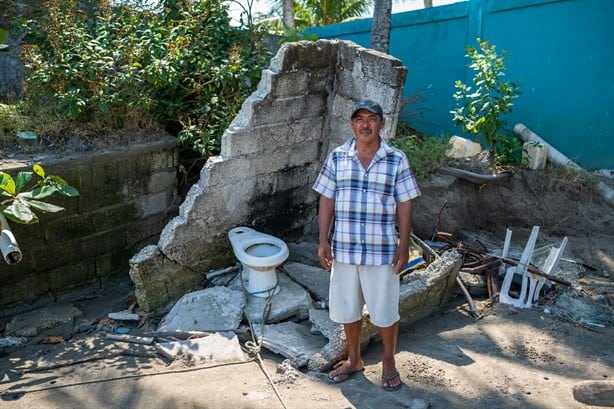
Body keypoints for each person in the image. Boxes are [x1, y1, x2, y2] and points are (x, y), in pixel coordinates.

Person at [312, 98, 421, 391]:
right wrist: (323, 240)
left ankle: (388, 361)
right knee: (348, 308)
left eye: (372, 118)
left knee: (385, 310)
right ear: (351, 124)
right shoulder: (337, 157)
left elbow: (405, 205)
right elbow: (326, 199)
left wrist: (404, 244)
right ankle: (354, 359)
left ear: (382, 124)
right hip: (344, 247)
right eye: (359, 118)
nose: (365, 124)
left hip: (382, 248)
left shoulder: (396, 159)